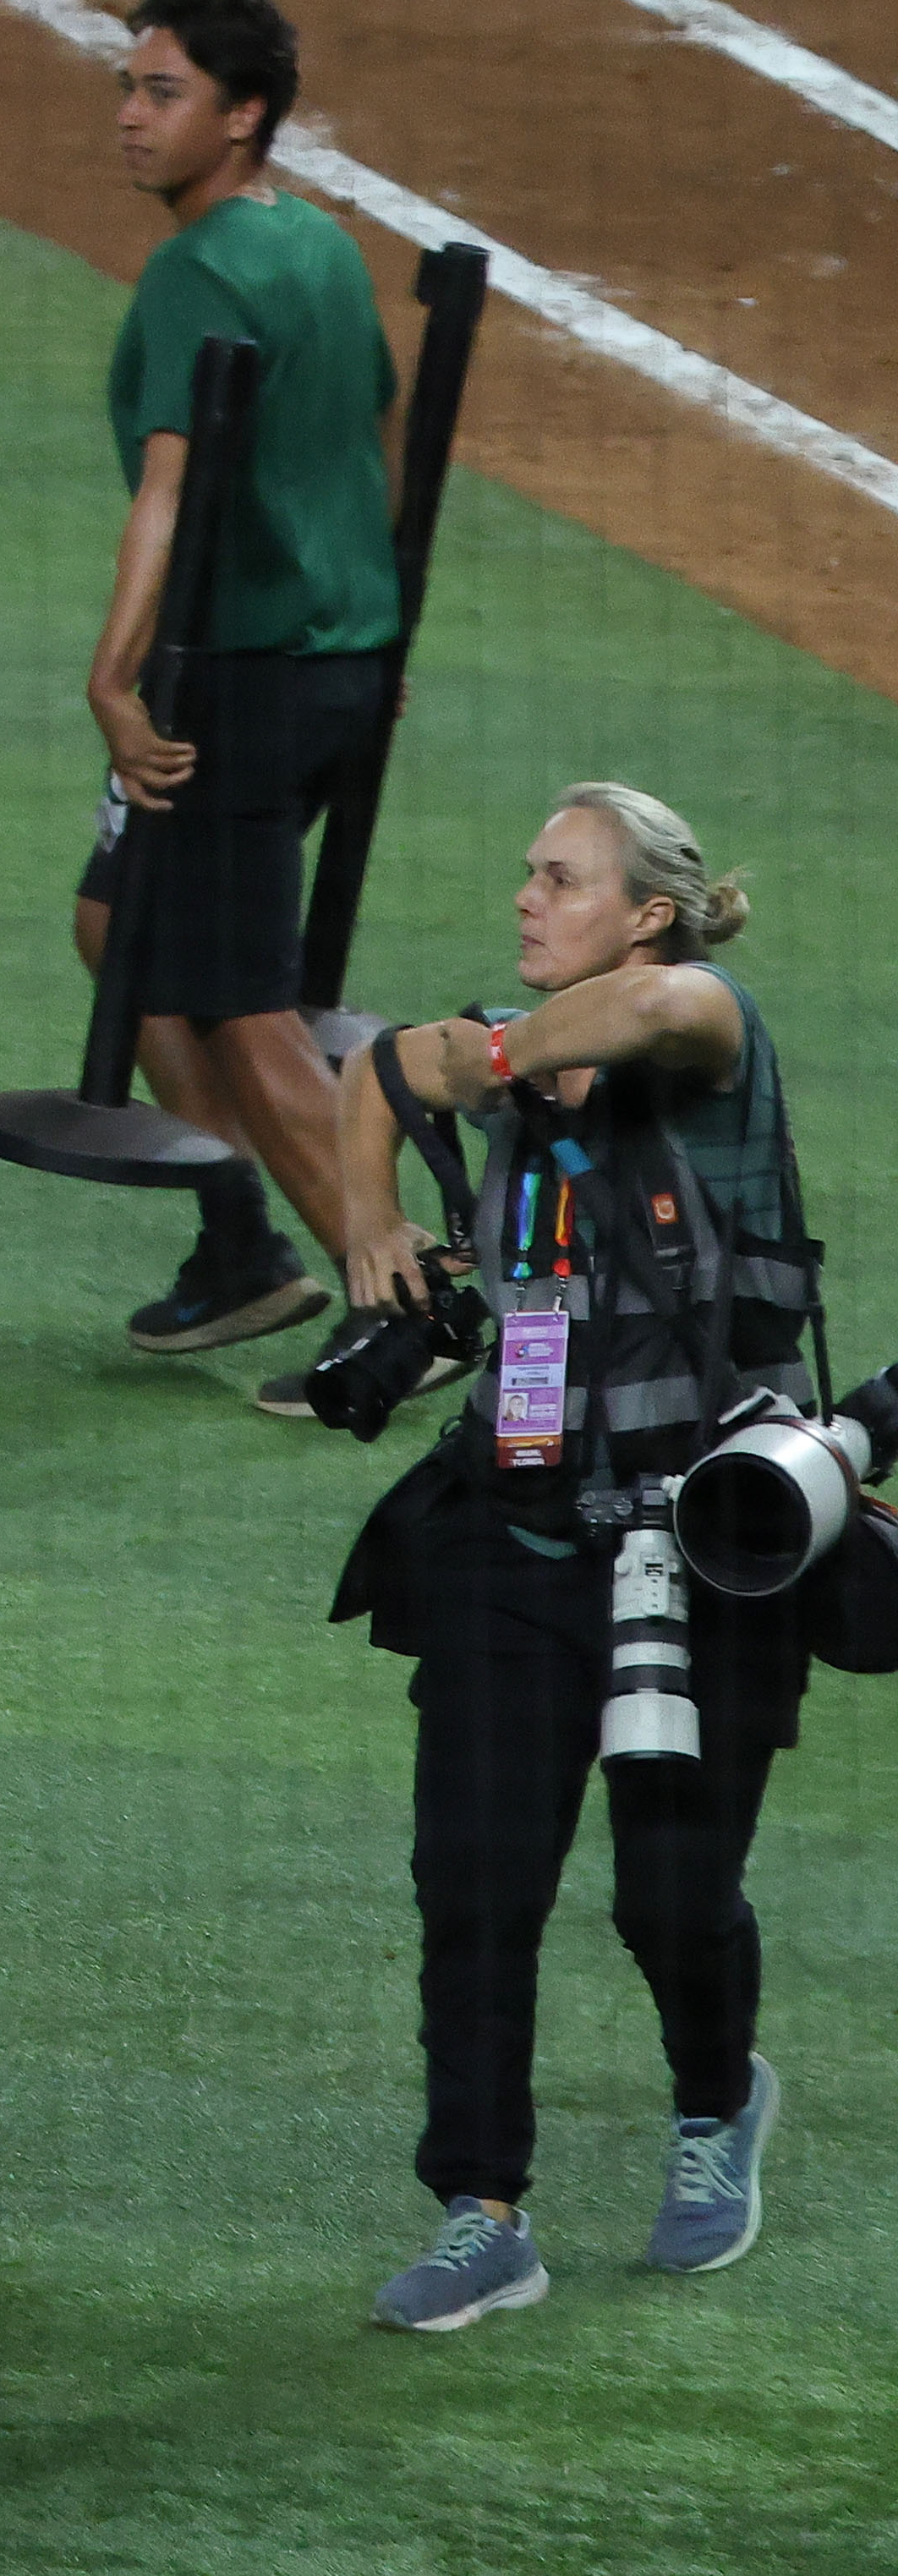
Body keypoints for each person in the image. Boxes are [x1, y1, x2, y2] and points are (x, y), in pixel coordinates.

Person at [325, 785, 811, 2329]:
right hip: (513, 1538)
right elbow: (368, 1071)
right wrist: (365, 1219)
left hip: (704, 1550)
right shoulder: (503, 1052)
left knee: (670, 1894)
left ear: (645, 911)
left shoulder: (708, 1030)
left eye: (563, 879)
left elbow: (664, 1004)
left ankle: (716, 2100)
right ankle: (483, 2208)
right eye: (525, 872)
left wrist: (479, 1056)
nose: (525, 898)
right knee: (473, 1879)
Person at [74, 0, 404, 1377]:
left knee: (239, 1001)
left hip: (244, 688)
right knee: (119, 929)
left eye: (164, 94)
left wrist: (113, 677)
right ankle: (236, 1243)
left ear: (244, 113)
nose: (132, 119)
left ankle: (406, 1308)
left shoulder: (196, 269)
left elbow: (170, 488)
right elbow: (376, 436)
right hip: (344, 665)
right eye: (130, 89)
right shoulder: (318, 244)